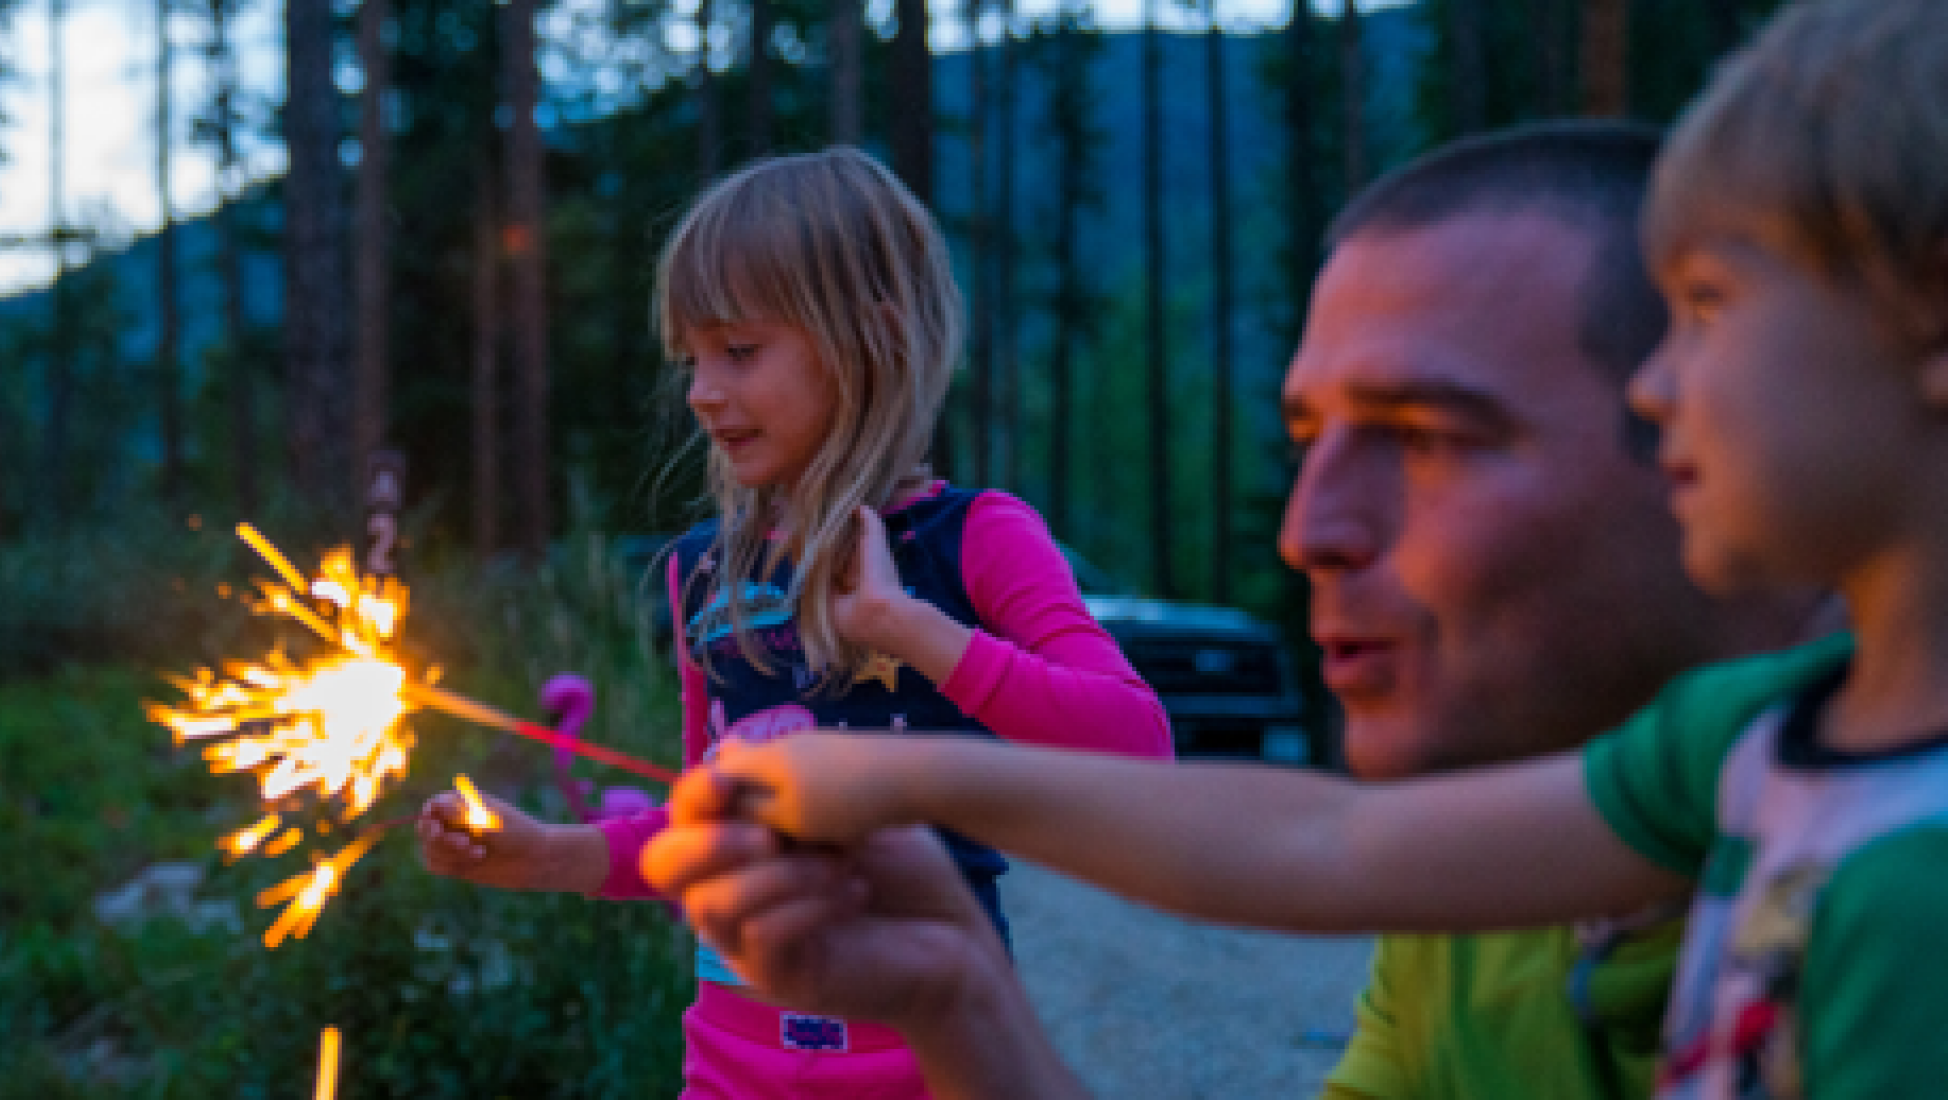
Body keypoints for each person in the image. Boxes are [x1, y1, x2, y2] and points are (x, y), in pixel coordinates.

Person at [650, 1, 1948, 1095]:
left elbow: (1184, 772)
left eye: (1431, 435)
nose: (1305, 532)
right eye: (1306, 438)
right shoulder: (1704, 775)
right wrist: (950, 992)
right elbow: (1313, 848)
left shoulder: (1901, 889)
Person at [414, 146, 1173, 1098]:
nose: (702, 391)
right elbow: (701, 820)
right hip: (730, 1069)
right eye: (691, 358)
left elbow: (1139, 748)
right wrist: (553, 855)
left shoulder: (978, 540)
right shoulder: (702, 572)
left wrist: (907, 627)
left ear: (872, 338)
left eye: (739, 350)